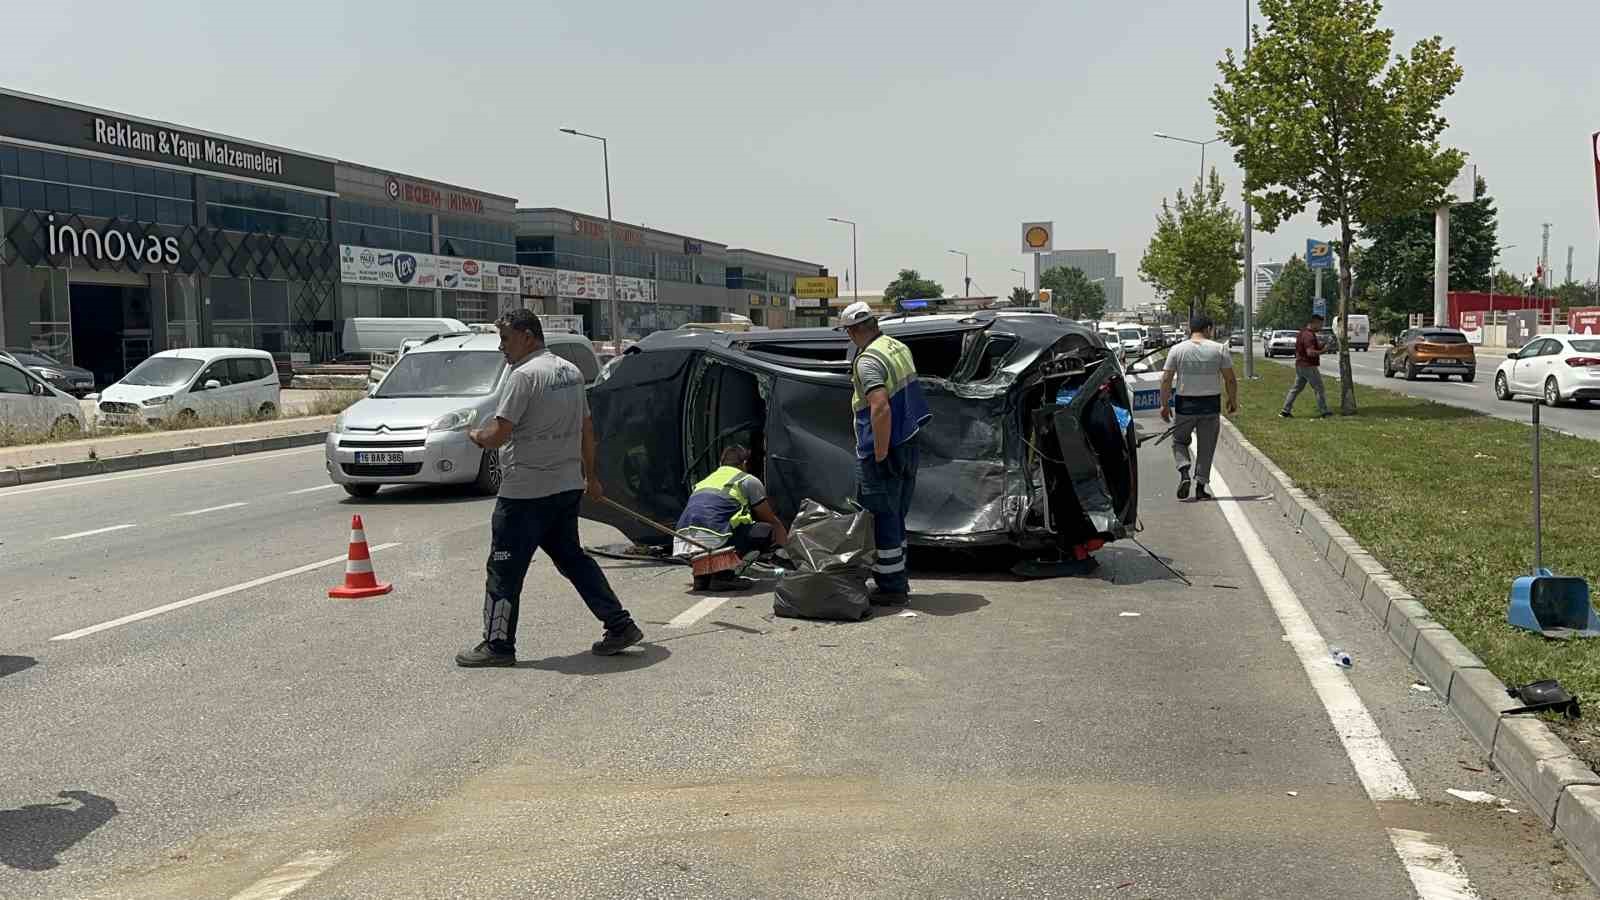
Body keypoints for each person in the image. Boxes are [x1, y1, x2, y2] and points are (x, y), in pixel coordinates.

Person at [454, 309, 641, 668]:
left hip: (525, 494)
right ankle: (619, 624)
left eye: (506, 338)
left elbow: (498, 435)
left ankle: (497, 644)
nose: (501, 347)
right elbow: (587, 430)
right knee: (573, 559)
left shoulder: (523, 377)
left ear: (527, 335)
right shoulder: (569, 372)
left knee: (503, 569)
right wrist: (592, 477)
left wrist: (475, 435)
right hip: (565, 488)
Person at [837, 301, 932, 602]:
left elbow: (879, 407)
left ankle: (891, 588)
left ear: (853, 331)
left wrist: (879, 453)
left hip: (885, 448)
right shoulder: (896, 347)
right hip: (908, 442)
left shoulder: (867, 361)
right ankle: (898, 578)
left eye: (848, 331)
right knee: (897, 514)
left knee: (883, 517)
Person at [675, 445, 791, 590]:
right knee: (766, 530)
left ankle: (701, 577)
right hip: (715, 538)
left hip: (682, 543)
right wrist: (789, 554)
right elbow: (769, 518)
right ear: (744, 463)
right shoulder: (747, 480)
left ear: (720, 464)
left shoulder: (705, 481)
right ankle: (723, 576)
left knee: (713, 533)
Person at [1158, 315, 1239, 502]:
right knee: (1206, 447)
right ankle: (1201, 487)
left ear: (1189, 329)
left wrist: (1164, 404)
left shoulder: (1177, 350)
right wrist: (1232, 400)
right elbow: (1230, 379)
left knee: (1179, 441)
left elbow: (1166, 379)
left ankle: (1184, 470)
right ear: (1208, 329)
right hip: (1210, 405)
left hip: (1185, 405)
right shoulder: (1219, 349)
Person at [1281, 312, 1332, 418]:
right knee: (1319, 388)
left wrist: (1324, 343)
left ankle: (1285, 411)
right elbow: (1310, 352)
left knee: (1296, 389)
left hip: (1300, 365)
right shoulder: (1309, 335)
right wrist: (1324, 350)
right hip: (1308, 366)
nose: (1321, 327)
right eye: (1320, 325)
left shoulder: (1303, 333)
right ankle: (1324, 412)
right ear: (1314, 323)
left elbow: (1311, 347)